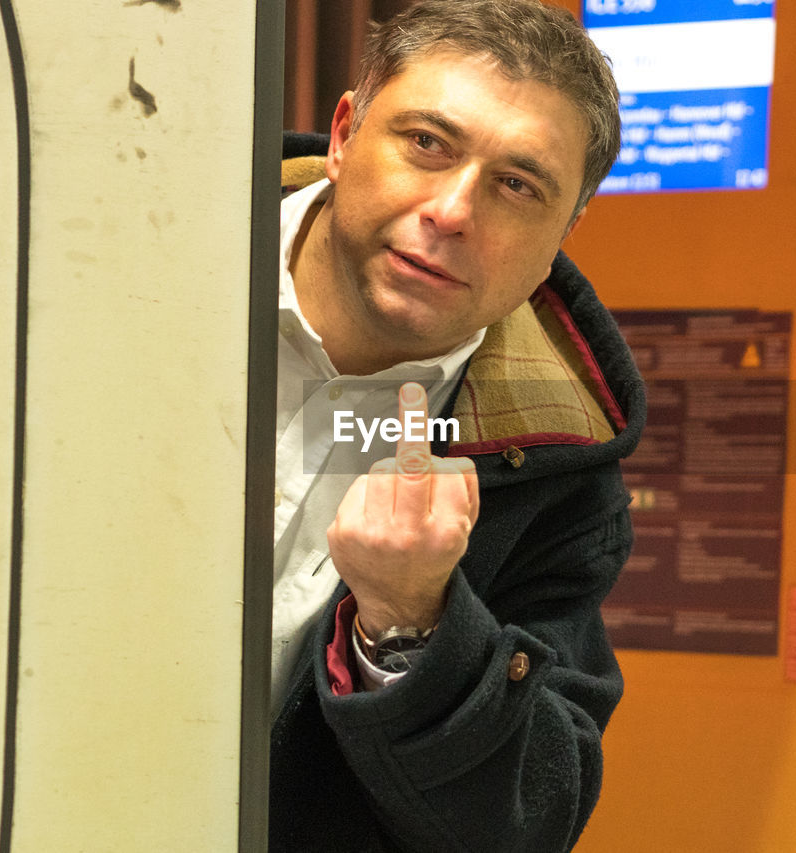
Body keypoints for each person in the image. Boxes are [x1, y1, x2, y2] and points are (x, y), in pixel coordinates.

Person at [268, 1, 645, 849]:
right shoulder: (138, 252)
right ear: (343, 132)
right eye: (427, 143)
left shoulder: (562, 473)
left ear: (563, 234)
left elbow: (529, 821)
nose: (451, 211)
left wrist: (412, 623)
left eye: (518, 185)